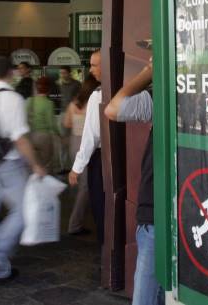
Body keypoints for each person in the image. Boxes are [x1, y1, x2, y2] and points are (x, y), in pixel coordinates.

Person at [0, 56, 48, 282]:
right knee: (24, 210)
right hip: (7, 164)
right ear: (11, 72)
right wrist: (35, 164)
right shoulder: (13, 98)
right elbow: (20, 139)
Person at [104, 59, 160, 305]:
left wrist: (149, 73)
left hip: (156, 211)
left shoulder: (160, 94)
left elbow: (113, 108)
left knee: (145, 297)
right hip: (184, 207)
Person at [67, 50, 104, 242]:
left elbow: (92, 136)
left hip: (100, 159)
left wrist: (76, 168)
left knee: (100, 205)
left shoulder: (97, 96)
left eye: (94, 65)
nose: (91, 70)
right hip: (117, 157)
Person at [62, 80, 92, 235]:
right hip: (85, 143)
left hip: (74, 140)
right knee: (85, 185)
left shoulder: (73, 104)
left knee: (80, 181)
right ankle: (74, 223)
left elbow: (66, 123)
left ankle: (77, 211)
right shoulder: (92, 104)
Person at [26, 76, 58, 171]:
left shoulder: (29, 101)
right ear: (48, 89)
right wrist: (59, 134)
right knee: (46, 164)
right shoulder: (49, 103)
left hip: (31, 136)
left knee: (35, 164)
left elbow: (25, 118)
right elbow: (51, 124)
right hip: (44, 137)